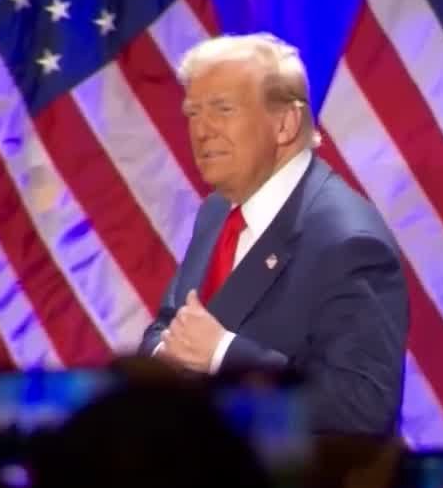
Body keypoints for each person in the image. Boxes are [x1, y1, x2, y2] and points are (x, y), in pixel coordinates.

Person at [139, 32, 408, 437]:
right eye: (193, 112)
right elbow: (169, 325)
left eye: (223, 109)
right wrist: (167, 353)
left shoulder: (348, 241)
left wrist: (222, 354)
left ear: (284, 123)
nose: (201, 130)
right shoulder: (217, 211)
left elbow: (362, 406)